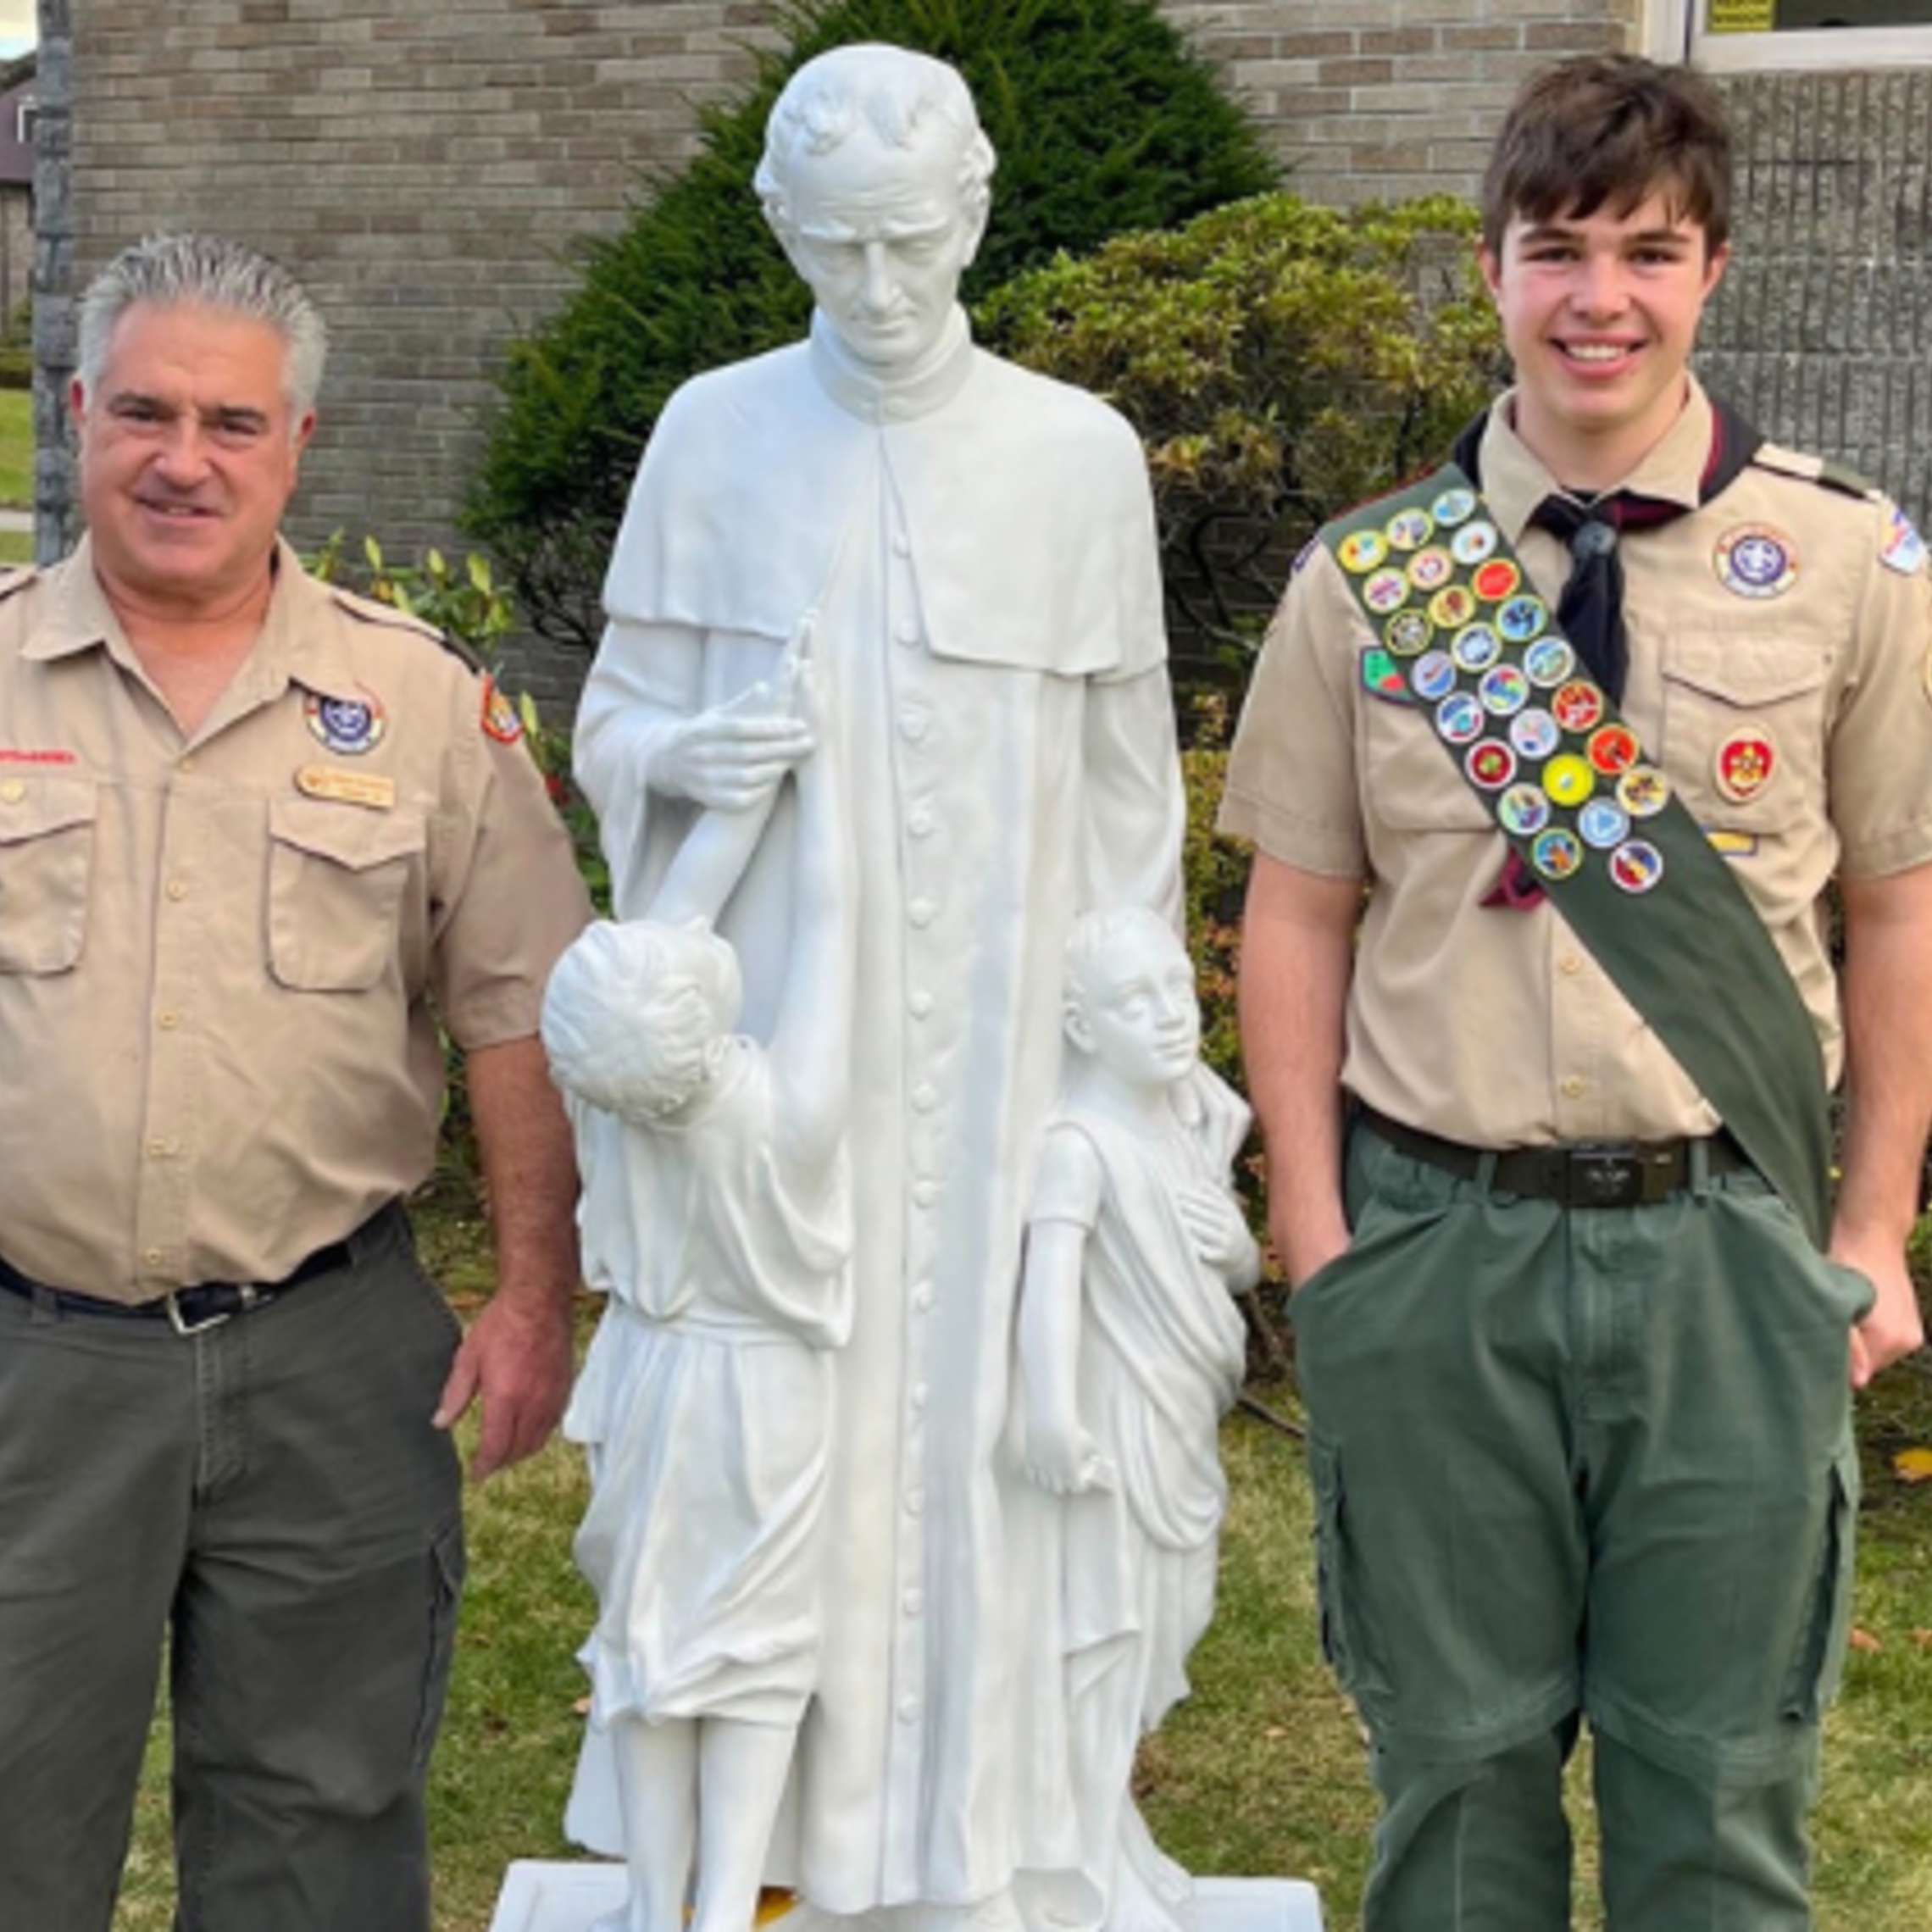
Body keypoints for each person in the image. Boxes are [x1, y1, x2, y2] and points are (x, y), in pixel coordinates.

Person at [1220, 54, 1932, 1930]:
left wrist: (1870, 1223)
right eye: (1557, 250)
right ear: (1492, 272)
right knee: (1454, 1777)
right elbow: (1294, 919)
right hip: (1441, 1241)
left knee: (1720, 1779)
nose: (1598, 296)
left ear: (1711, 274)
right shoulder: (1376, 581)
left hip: (1727, 1247)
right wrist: (1316, 1237)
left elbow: (1899, 911)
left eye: (1646, 251)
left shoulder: (1848, 557)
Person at [573, 42, 1185, 1926]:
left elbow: (1129, 797)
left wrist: (1124, 1072)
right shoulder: (712, 433)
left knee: (999, 1448)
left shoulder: (1077, 455)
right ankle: (776, 1864)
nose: (881, 290)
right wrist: (688, 760)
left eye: (910, 243)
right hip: (774, 1078)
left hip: (1008, 1073)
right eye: (837, 251)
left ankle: (991, 1840)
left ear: (975, 215)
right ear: (782, 229)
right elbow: (612, 729)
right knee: (774, 1469)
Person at [0, 232, 591, 1932]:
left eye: (232, 425)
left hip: (331, 1365)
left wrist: (534, 1295)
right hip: (32, 1365)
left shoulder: (415, 705)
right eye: (144, 413)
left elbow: (519, 1014)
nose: (184, 460)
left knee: (318, 1845)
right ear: (76, 415)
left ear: (299, 446)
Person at [542, 651, 854, 1932]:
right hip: (765, 1390)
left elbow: (675, 912)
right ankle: (725, 1902)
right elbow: (833, 923)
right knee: (758, 1649)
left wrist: (745, 782)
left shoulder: (606, 1098)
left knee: (650, 1648)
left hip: (650, 1373)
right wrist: (823, 773)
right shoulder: (788, 1117)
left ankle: (650, 1900)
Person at [1008, 907, 1256, 1932]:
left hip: (1180, 1423)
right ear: (1078, 1025)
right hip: (1113, 1423)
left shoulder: (1191, 1124)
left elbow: (1230, 1267)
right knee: (1100, 1641)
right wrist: (1052, 1414)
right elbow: (1048, 1285)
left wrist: (1235, 1237)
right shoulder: (1078, 1145)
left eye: (1177, 990)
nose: (1168, 1017)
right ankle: (1077, 1853)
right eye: (1132, 1002)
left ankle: (1106, 1820)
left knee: (1167, 1629)